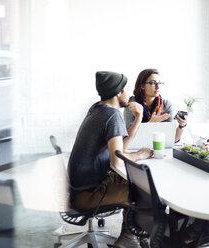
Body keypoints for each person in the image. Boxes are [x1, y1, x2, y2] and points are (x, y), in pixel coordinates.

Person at [68, 71, 153, 248]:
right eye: (127, 88)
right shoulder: (112, 116)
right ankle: (128, 238)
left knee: (132, 179)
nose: (130, 93)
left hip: (78, 188)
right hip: (86, 195)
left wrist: (138, 118)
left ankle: (135, 236)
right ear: (118, 92)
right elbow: (117, 161)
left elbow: (120, 149)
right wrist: (140, 155)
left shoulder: (98, 108)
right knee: (145, 192)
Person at [124, 68, 187, 143]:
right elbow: (127, 137)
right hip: (136, 148)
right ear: (142, 86)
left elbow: (172, 139)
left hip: (159, 147)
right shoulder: (133, 103)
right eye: (153, 83)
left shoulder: (167, 105)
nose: (158, 87)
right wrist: (150, 124)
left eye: (160, 83)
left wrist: (181, 126)